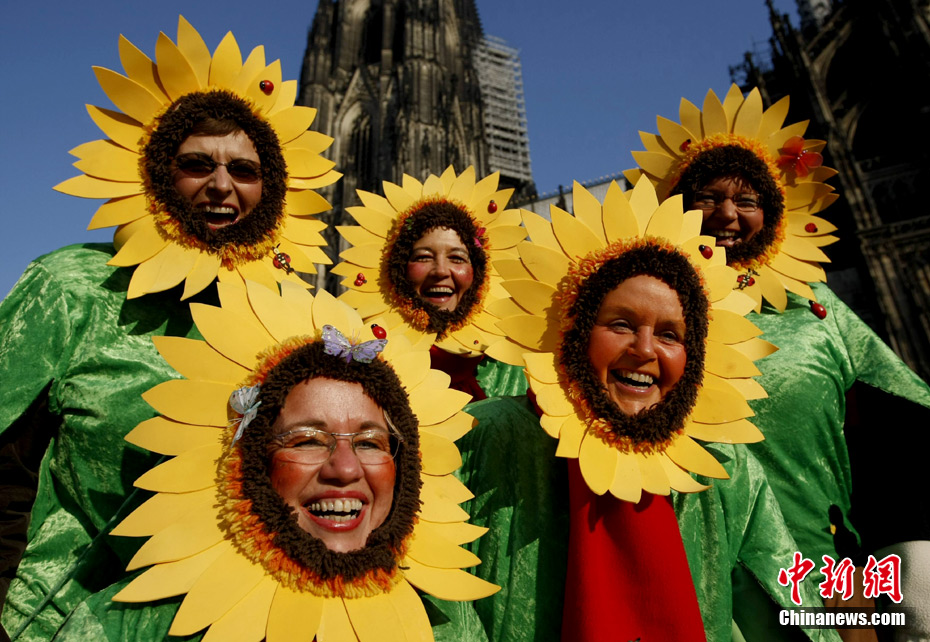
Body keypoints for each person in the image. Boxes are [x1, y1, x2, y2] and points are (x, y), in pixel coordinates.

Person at [0, 18, 338, 640]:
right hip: (59, 617)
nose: (221, 185)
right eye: (196, 164)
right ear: (158, 172)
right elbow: (4, 473)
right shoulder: (71, 288)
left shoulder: (291, 314)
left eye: (244, 169)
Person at [459, 178, 837, 641]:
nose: (644, 350)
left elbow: (782, 608)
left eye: (670, 335)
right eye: (620, 325)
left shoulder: (724, 464)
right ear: (574, 330)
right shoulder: (488, 435)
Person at [627, 85, 930, 640]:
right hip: (704, 573)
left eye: (745, 200)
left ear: (771, 211)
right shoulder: (645, 307)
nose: (726, 214)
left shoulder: (817, 307)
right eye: (708, 196)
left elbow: (897, 433)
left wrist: (910, 573)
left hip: (826, 570)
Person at [48, 284, 497, 641]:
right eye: (307, 441)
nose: (344, 469)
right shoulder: (126, 630)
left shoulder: (447, 624)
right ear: (246, 460)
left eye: (369, 442)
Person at [335, 166, 529, 399]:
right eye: (423, 257)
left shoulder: (516, 370)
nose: (440, 271)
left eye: (457, 258)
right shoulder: (357, 366)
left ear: (480, 272)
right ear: (396, 268)